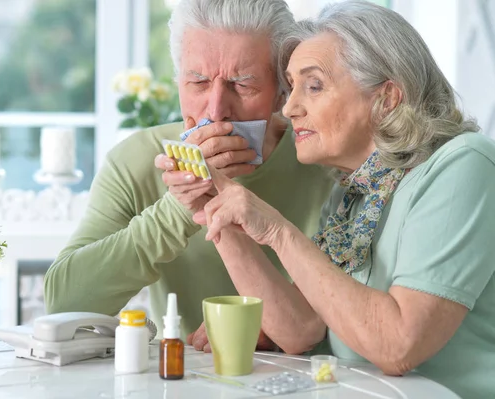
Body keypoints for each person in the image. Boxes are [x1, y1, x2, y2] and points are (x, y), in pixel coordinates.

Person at [168, 1, 495, 398]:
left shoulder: (463, 165)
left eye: (314, 85)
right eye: (291, 87)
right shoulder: (354, 191)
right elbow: (300, 330)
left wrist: (275, 229)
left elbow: (398, 346)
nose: (289, 108)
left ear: (386, 98)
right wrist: (216, 204)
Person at [43, 0, 334, 341]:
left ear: (281, 92)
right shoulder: (136, 160)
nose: (215, 110)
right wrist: (179, 207)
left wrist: (272, 329)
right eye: (197, 83)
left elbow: (359, 315)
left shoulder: (325, 165)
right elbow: (63, 305)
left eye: (242, 85)